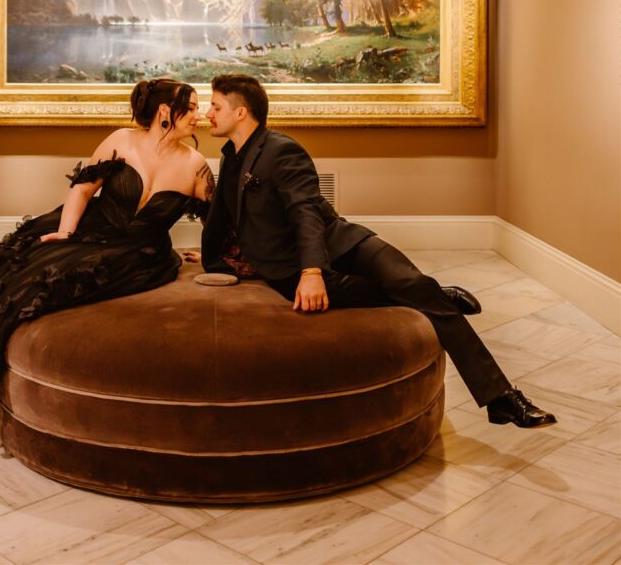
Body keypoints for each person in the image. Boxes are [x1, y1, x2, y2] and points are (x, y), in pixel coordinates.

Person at [199, 73, 556, 429]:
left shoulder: (281, 150)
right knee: (422, 293)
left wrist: (313, 273)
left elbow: (305, 212)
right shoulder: (231, 155)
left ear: (241, 112)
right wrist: (211, 261)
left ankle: (502, 398)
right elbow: (221, 217)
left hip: (340, 241)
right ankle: (435, 293)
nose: (208, 113)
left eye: (215, 106)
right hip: (287, 269)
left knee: (410, 281)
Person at [0, 78, 213, 425]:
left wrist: (211, 255)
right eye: (192, 107)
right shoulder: (122, 140)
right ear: (165, 111)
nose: (199, 116)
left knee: (39, 288)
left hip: (139, 254)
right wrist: (65, 233)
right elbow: (81, 191)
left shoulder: (196, 165)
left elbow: (216, 221)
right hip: (90, 229)